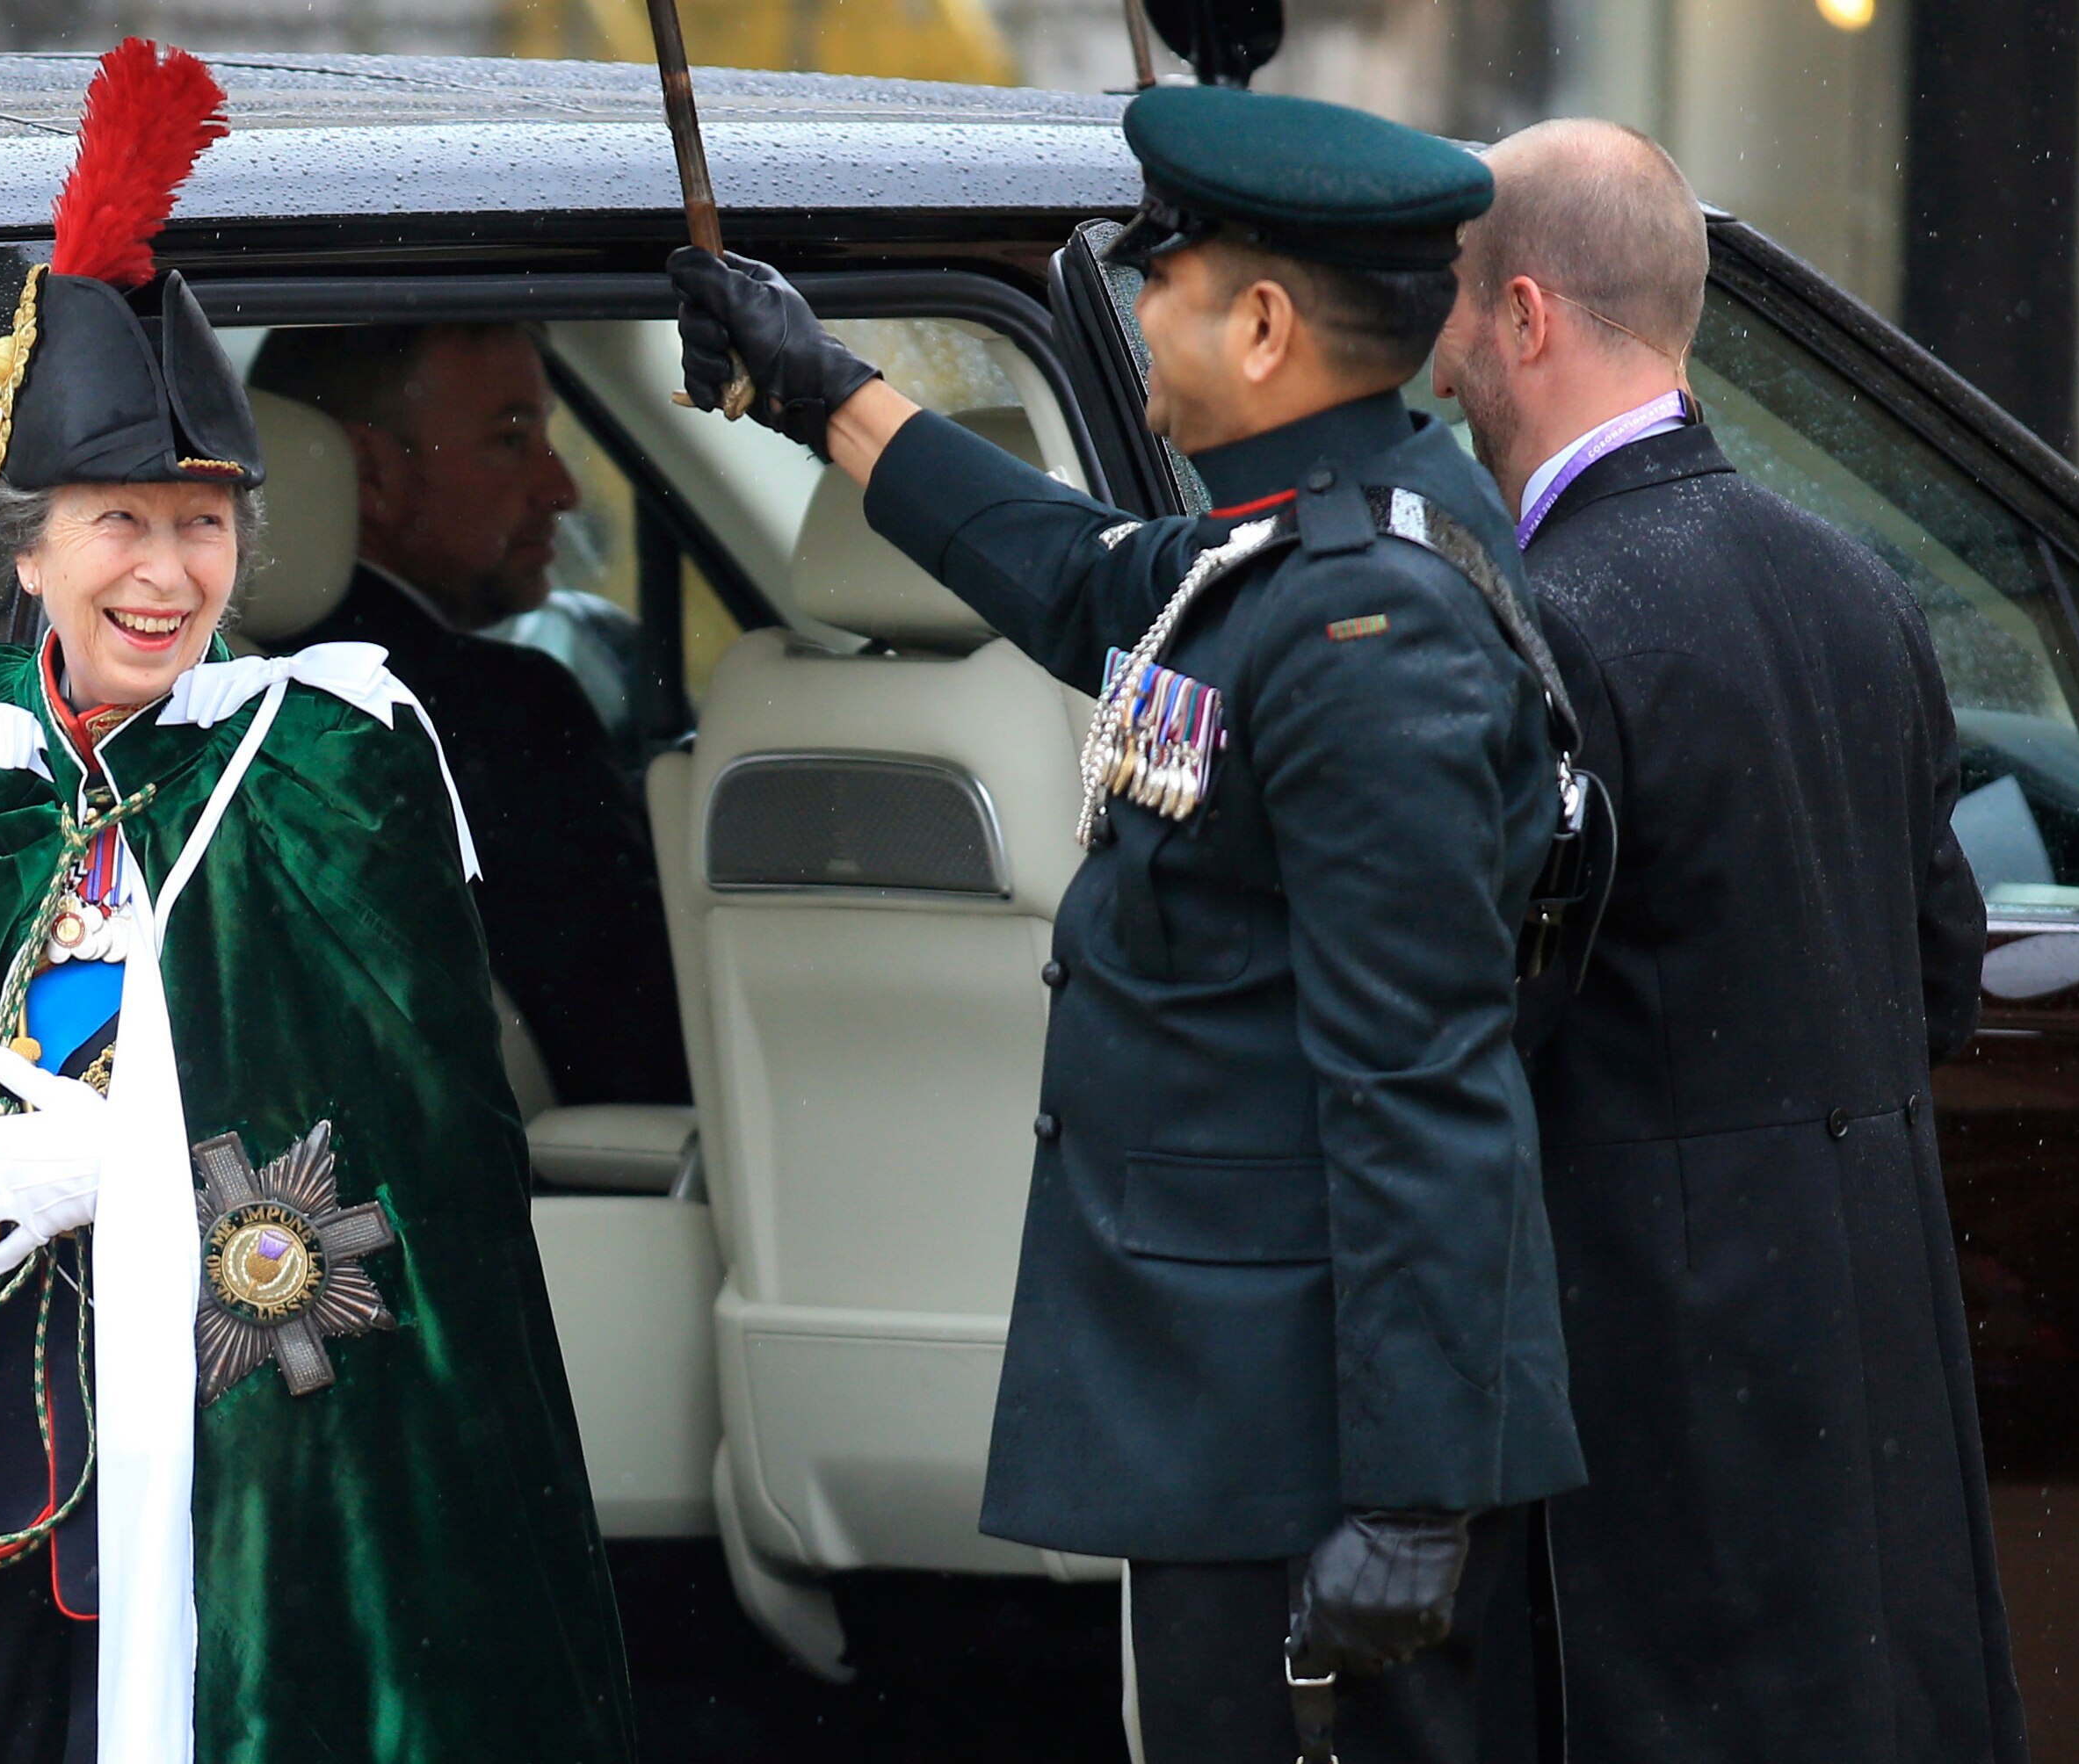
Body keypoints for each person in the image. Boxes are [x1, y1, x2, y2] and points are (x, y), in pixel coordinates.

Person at [0, 43, 633, 1764]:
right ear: (27, 545)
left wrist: (151, 1180)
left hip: (229, 1508)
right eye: (119, 523)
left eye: (202, 523)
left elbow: (427, 1200)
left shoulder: (335, 775)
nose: (166, 574)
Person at [672, 83, 1585, 1762]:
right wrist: (820, 393)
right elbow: (1079, 574)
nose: (1140, 313)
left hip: (1309, 1460)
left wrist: (1412, 1495)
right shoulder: (1287, 563)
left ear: (1262, 327)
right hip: (1237, 1430)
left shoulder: (1369, 638)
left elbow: (1419, 1089)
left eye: (1161, 281)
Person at [1433, 118, 2024, 1761]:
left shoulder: (1543, 625)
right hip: (1869, 1380)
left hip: (1660, 1386)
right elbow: (1938, 975)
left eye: (1458, 303)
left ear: (1525, 315)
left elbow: (1482, 1027)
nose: (1443, 354)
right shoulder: (1860, 589)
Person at [248, 322, 689, 1109]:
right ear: (370, 474)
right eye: (510, 440)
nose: (561, 489)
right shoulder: (502, 707)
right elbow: (639, 1058)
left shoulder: (192, 705)